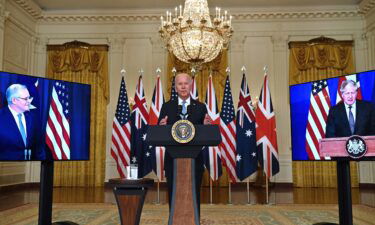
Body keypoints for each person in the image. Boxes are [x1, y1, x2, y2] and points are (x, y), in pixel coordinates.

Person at [158, 73, 211, 216]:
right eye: (179, 84)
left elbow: (205, 135)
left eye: (185, 83)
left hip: (195, 159)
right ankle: (173, 219)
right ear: (175, 87)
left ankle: (195, 220)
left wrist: (206, 125)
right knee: (173, 191)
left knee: (194, 192)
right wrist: (162, 126)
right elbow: (160, 132)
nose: (183, 86)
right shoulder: (166, 107)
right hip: (172, 159)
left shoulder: (201, 107)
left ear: (191, 85)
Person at [0, 84, 44, 160]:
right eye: (25, 98)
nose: (29, 101)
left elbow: (38, 146)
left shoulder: (32, 117)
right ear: (14, 100)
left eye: (29, 97)